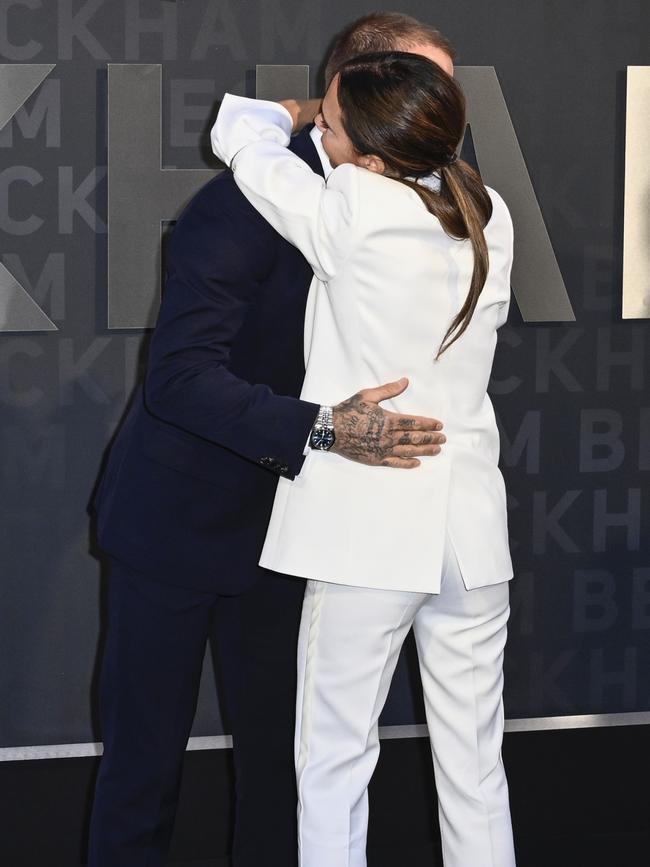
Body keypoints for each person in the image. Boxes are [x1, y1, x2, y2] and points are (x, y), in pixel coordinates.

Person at [87, 13, 454, 867]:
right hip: (178, 525)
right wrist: (326, 428)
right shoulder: (244, 201)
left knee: (286, 782)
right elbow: (180, 380)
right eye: (418, 86)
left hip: (298, 537)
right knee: (142, 775)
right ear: (350, 94)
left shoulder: (427, 193)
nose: (438, 113)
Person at [211, 51, 516, 867]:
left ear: (373, 158)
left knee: (335, 763)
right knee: (476, 767)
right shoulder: (491, 208)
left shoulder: (353, 203)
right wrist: (335, 121)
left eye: (335, 125)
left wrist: (289, 113)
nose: (325, 129)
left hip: (369, 537)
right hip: (471, 534)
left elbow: (240, 138)